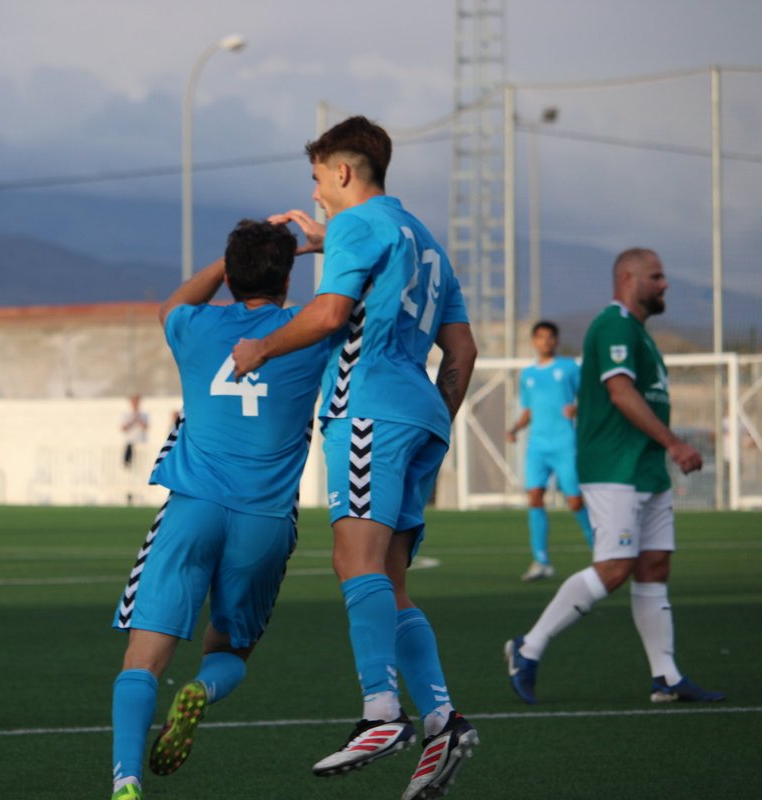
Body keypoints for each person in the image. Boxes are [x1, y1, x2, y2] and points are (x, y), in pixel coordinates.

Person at [232, 116, 480, 800]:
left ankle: (380, 712)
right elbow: (462, 353)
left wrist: (260, 348)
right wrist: (426, 416)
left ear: (342, 171)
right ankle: (441, 719)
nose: (314, 194)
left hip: (367, 411)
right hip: (421, 420)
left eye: (316, 178)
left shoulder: (355, 226)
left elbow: (328, 315)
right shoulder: (423, 240)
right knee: (391, 581)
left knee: (354, 562)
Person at [108, 220, 330, 800]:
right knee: (231, 649)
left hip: (194, 508)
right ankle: (202, 692)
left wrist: (226, 265)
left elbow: (172, 304)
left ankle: (126, 781)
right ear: (286, 277)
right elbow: (344, 308)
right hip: (265, 519)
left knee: (144, 657)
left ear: (230, 275)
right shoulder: (309, 333)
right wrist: (320, 244)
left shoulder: (196, 325)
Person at [505, 248, 726, 706]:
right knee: (614, 567)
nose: (665, 284)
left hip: (645, 470)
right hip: (614, 468)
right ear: (629, 278)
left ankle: (665, 676)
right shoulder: (614, 325)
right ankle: (527, 649)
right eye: (657, 276)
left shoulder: (639, 334)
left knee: (654, 567)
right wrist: (675, 442)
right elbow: (620, 392)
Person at [506, 321, 594, 581]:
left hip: (565, 443)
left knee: (575, 500)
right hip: (537, 446)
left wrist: (577, 408)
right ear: (533, 341)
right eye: (540, 337)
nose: (545, 341)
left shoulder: (569, 368)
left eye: (550, 337)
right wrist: (515, 428)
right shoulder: (528, 374)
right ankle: (541, 561)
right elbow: (529, 410)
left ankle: (601, 552)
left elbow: (590, 394)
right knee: (534, 497)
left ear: (556, 341)